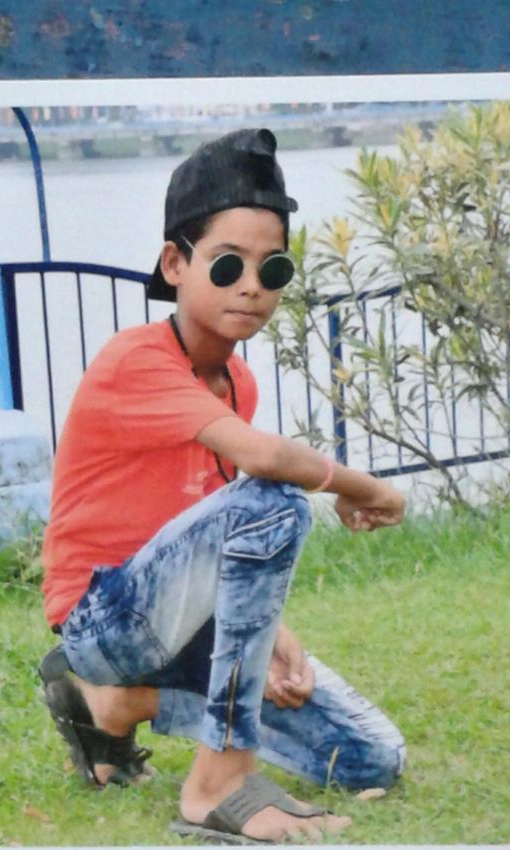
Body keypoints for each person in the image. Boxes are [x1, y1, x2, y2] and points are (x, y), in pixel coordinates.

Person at [39, 128, 406, 843]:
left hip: (182, 620)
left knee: (371, 757)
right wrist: (361, 486)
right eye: (229, 263)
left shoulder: (236, 380)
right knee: (276, 498)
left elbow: (215, 526)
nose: (251, 285)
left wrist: (273, 638)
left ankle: (113, 704)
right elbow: (263, 469)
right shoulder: (135, 361)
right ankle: (220, 782)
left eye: (273, 269)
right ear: (175, 264)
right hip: (103, 618)